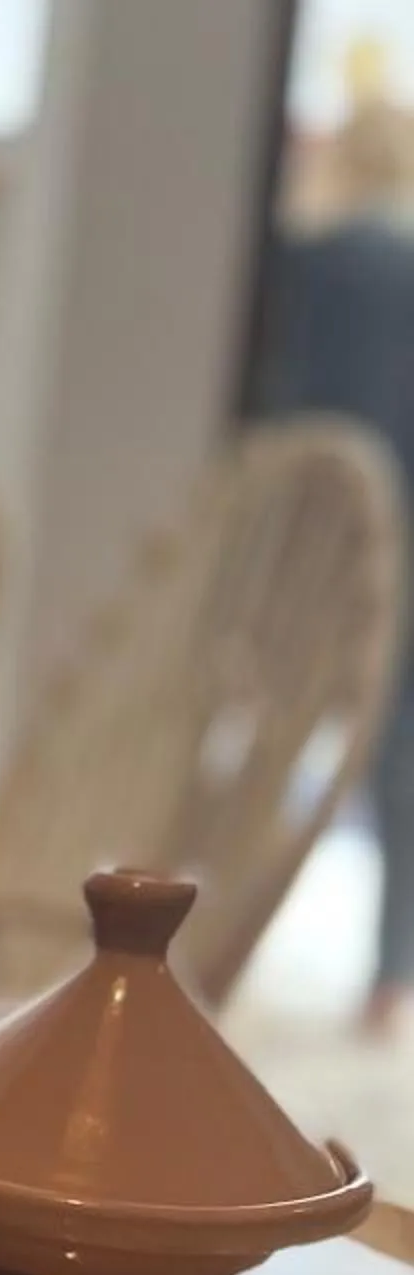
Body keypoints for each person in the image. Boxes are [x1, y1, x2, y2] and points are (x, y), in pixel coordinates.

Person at [265, 39, 414, 1030]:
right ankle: (390, 977)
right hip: (405, 537)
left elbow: (278, 401)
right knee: (402, 756)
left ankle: (188, 925)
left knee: (265, 727)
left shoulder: (309, 265)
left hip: (316, 537)